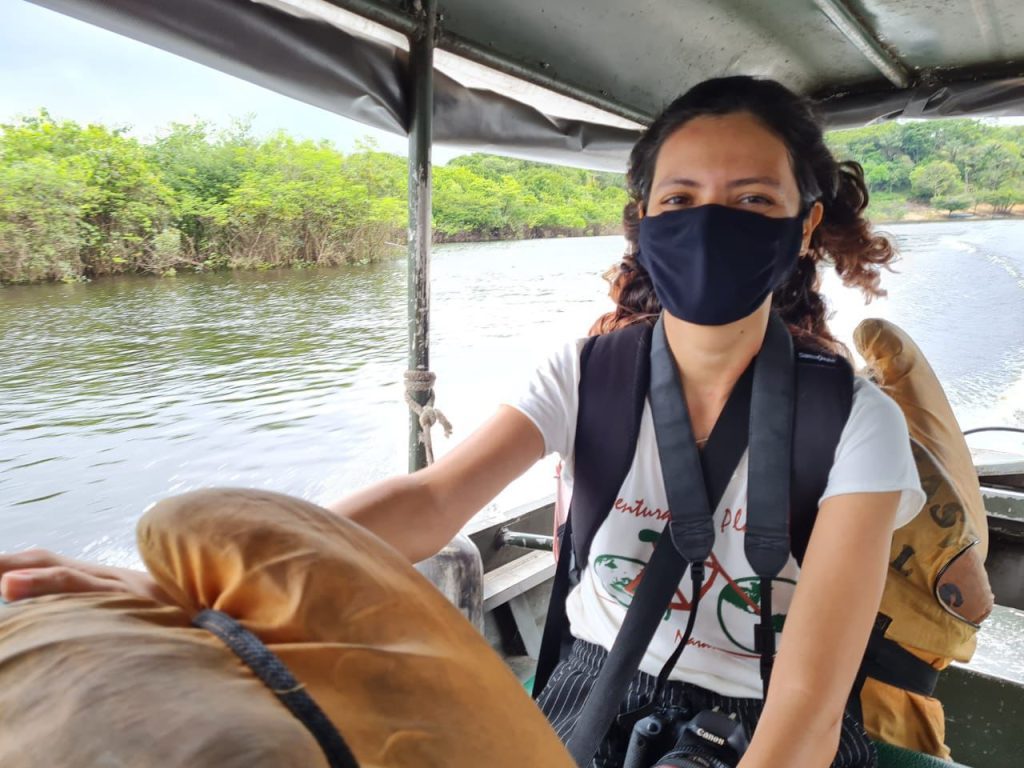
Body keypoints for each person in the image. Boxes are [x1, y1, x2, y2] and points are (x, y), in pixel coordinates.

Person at [0, 76, 924, 768]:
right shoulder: (588, 371)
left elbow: (806, 702)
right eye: (680, 201)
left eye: (752, 200)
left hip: (760, 718)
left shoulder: (854, 421)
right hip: (586, 688)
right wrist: (170, 589)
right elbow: (431, 501)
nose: (710, 221)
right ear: (642, 222)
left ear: (802, 228)